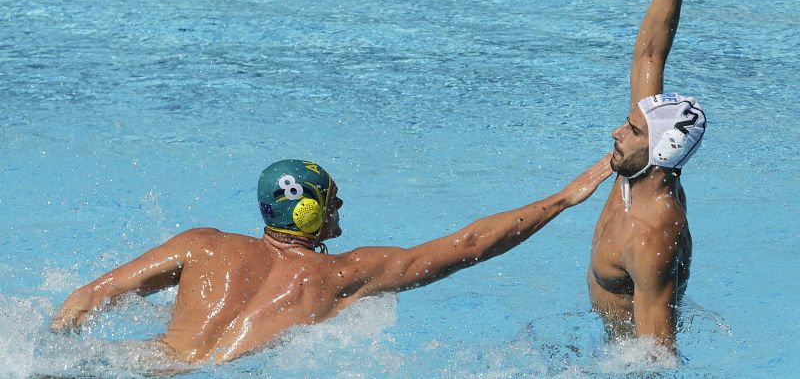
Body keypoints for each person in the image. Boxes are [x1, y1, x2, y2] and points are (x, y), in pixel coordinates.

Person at [52, 155, 613, 364]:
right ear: (306, 213)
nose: (340, 208)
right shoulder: (341, 274)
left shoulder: (202, 244)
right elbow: (467, 247)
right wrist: (564, 197)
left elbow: (84, 301)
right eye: (331, 200)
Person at [588, 0, 735, 353]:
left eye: (631, 130)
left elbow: (656, 359)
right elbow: (650, 50)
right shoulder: (644, 163)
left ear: (659, 152)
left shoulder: (653, 235)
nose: (616, 131)